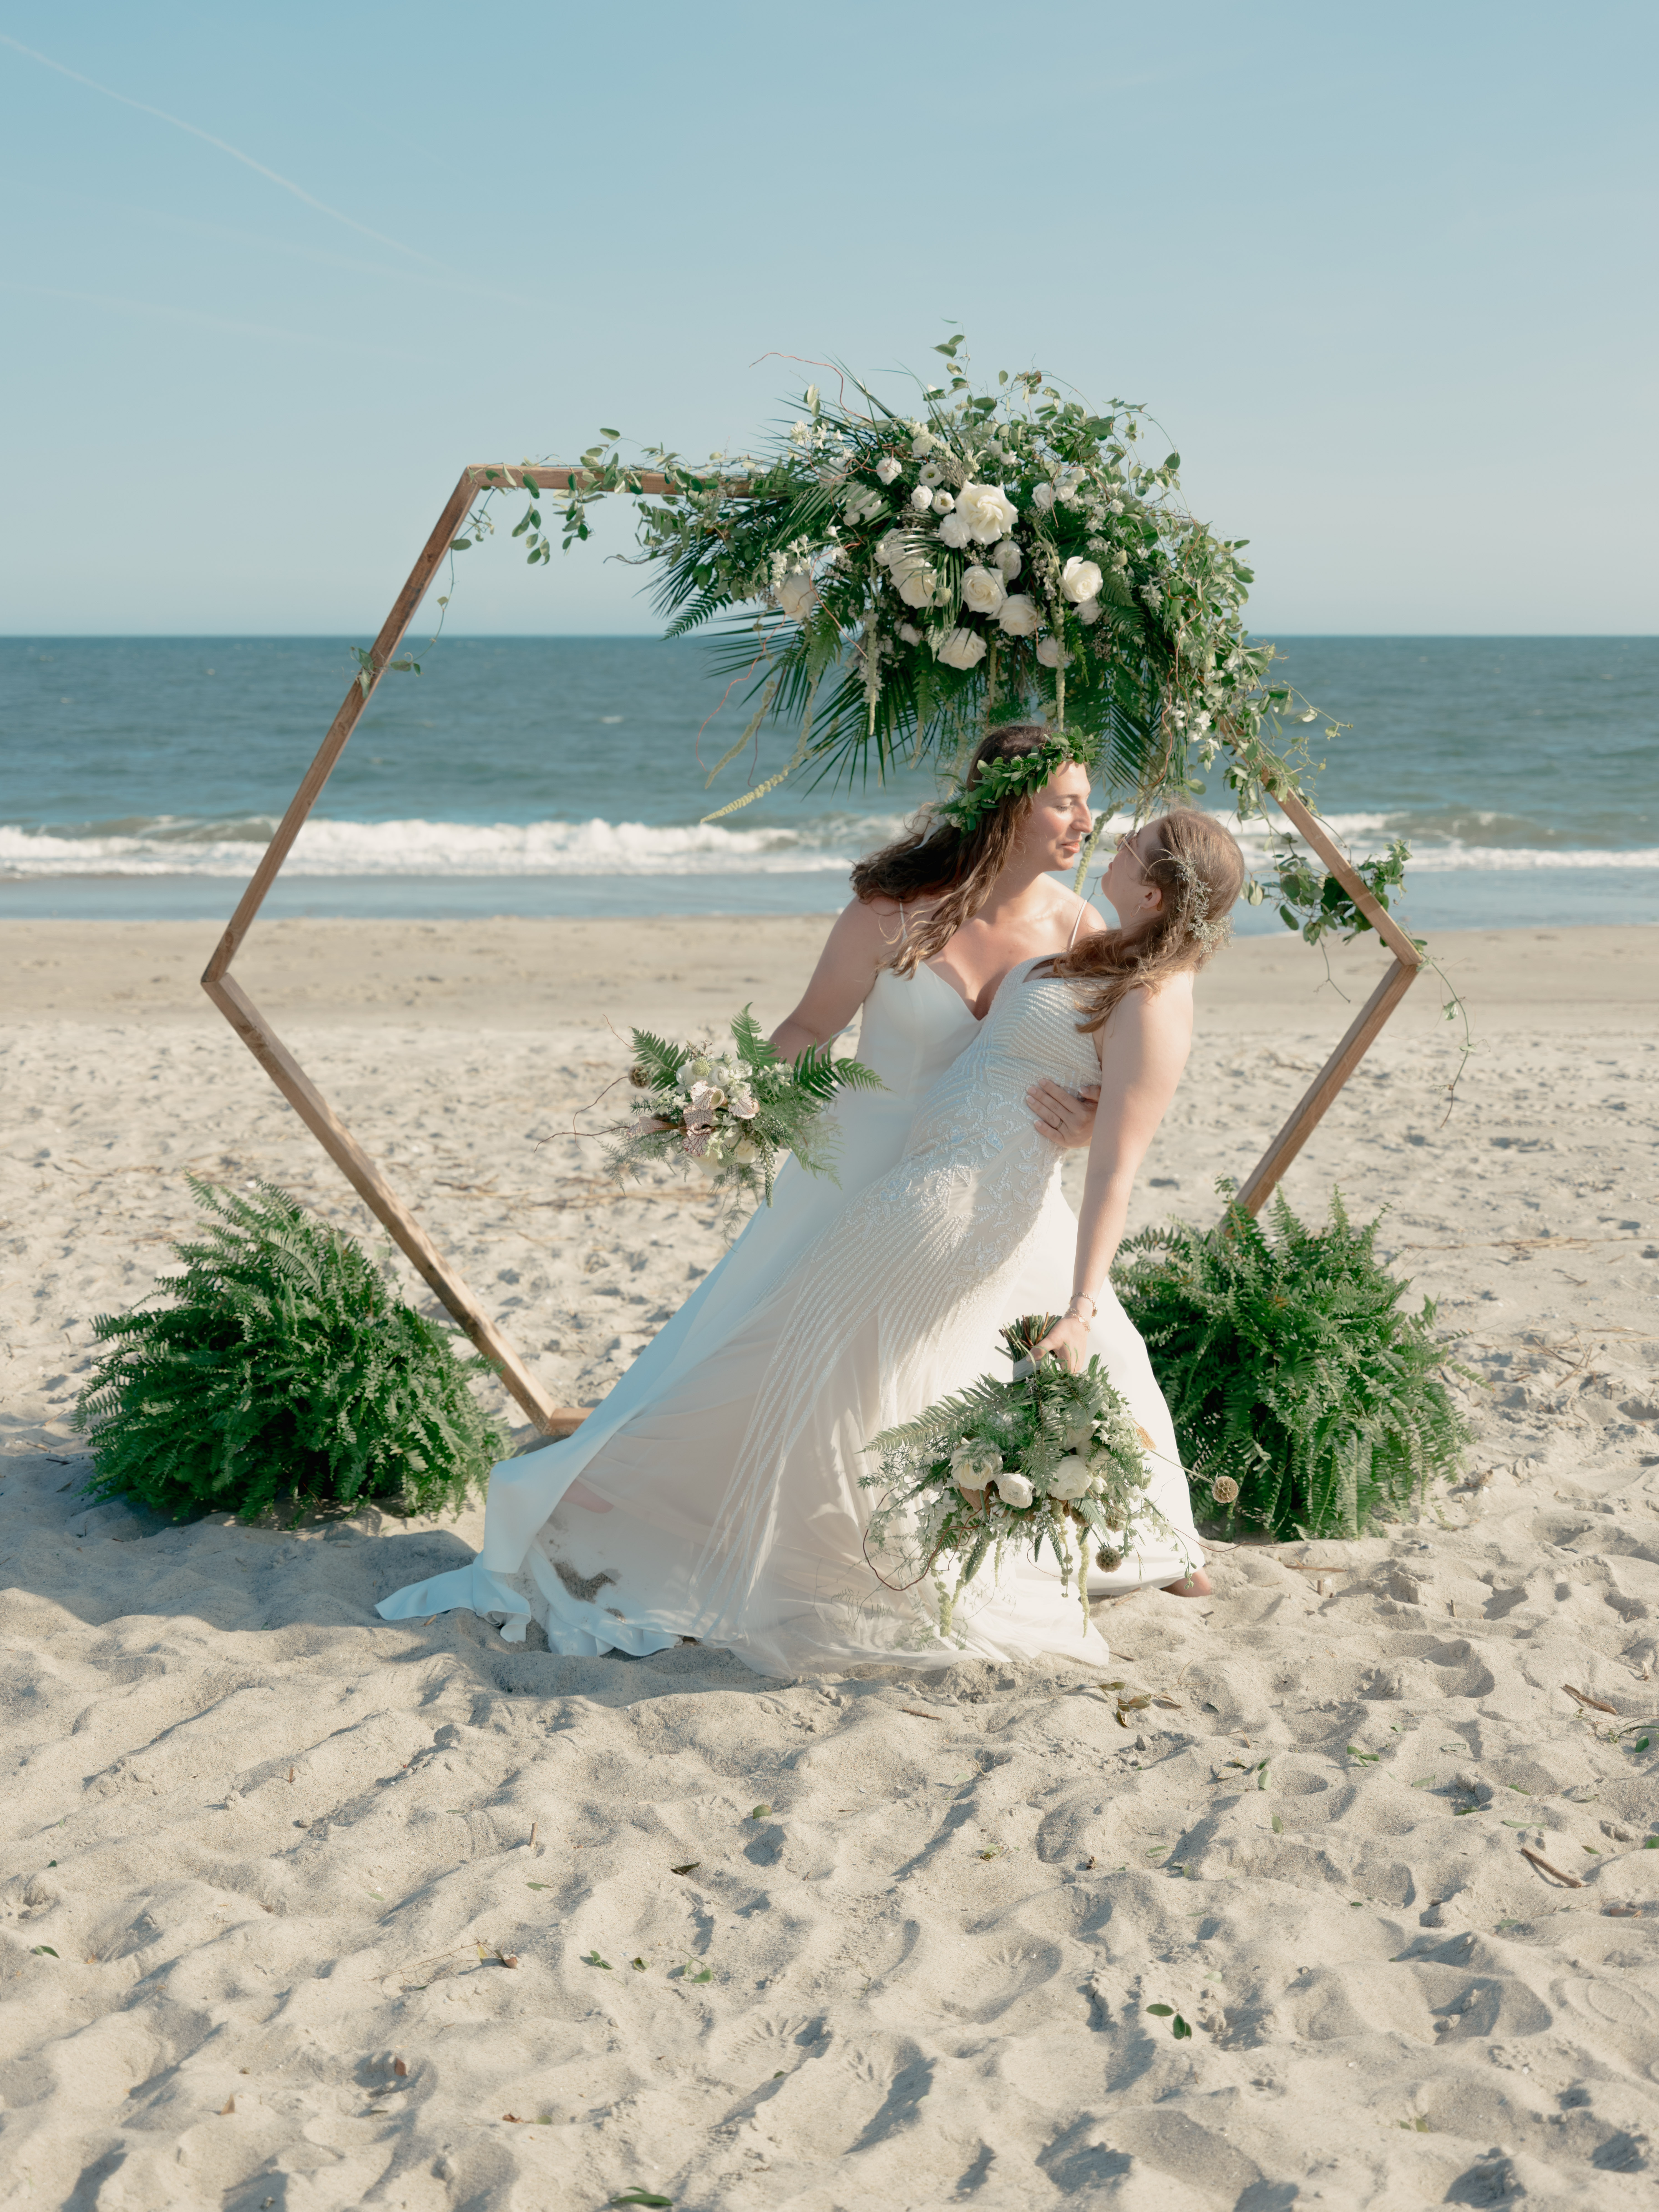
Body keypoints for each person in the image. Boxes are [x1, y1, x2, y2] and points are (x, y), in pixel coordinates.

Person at [379, 742, 1244, 1676]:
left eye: (1089, 804)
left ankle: (1150, 1543)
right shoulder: (890, 913)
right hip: (862, 1161)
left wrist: (1082, 1129)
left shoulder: (1084, 925)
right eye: (1067, 802)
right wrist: (735, 1101)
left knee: (1076, 1343)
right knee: (773, 1353)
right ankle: (728, 1518)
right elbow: (806, 1029)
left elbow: (1104, 1069)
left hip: (990, 1180)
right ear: (1007, 806)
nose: (1088, 821)